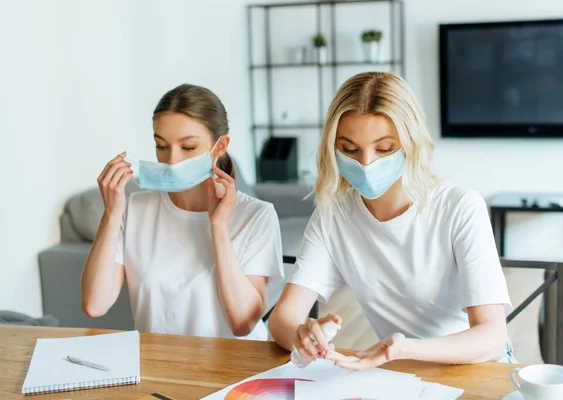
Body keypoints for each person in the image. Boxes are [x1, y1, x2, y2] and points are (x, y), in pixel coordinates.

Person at [268, 72, 515, 369]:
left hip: (478, 369)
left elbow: (492, 337)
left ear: (411, 143)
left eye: (384, 148)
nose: (367, 163)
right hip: (402, 373)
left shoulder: (460, 207)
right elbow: (282, 318)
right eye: (349, 149)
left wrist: (405, 349)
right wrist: (302, 335)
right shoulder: (334, 216)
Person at [81, 84, 283, 340]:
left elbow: (243, 324)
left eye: (188, 147)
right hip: (160, 367)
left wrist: (219, 228)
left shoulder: (256, 216)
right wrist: (111, 214)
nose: (172, 160)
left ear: (220, 146)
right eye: (161, 146)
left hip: (235, 369)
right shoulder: (135, 209)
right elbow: (94, 305)